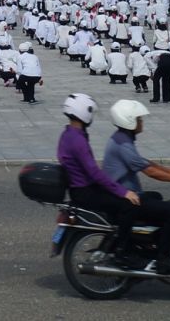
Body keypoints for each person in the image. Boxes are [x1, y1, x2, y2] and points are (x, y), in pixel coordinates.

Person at [102, 100, 170, 273]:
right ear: (129, 121)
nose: (141, 122)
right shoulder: (123, 144)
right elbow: (151, 172)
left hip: (126, 196)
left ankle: (151, 244)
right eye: (139, 119)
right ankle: (163, 258)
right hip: (126, 200)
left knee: (157, 197)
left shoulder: (122, 138)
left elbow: (144, 162)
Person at [56, 94, 144, 265]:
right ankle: (122, 252)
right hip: (85, 192)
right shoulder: (78, 140)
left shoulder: (67, 134)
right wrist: (123, 191)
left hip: (79, 189)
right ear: (84, 113)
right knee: (129, 205)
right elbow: (94, 172)